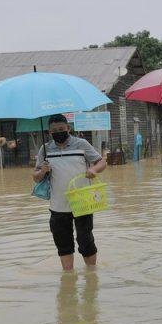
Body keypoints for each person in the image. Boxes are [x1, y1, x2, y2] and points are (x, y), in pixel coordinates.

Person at [33, 114, 108, 271]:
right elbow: (36, 177)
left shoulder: (81, 144)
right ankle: (68, 276)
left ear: (68, 128)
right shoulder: (45, 149)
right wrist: (42, 171)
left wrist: (93, 169)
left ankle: (91, 274)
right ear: (49, 132)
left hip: (83, 203)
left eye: (61, 129)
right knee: (63, 243)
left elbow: (101, 162)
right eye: (54, 130)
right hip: (58, 205)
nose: (58, 132)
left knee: (85, 240)